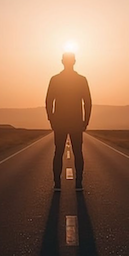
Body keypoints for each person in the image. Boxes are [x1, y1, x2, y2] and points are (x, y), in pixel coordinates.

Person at [45, 52, 92, 191]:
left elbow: (48, 101)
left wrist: (51, 119)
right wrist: (85, 121)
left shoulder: (55, 79)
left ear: (62, 61)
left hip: (60, 122)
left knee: (58, 152)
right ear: (74, 62)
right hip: (76, 122)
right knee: (78, 152)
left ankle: (57, 184)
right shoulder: (81, 80)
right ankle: (78, 183)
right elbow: (88, 102)